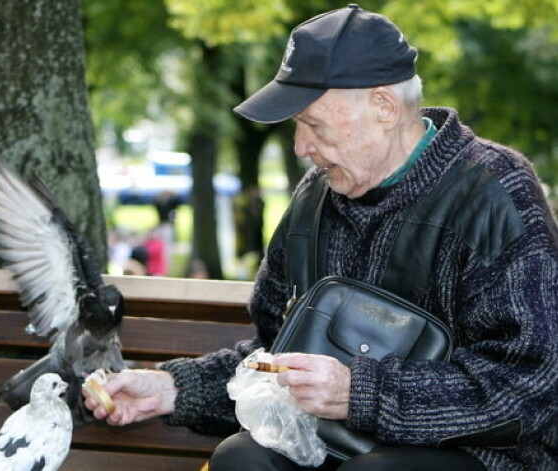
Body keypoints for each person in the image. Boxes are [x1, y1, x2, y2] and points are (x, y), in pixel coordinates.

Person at [84, 5, 558, 470]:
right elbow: (274, 357)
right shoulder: (316, 194)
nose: (300, 147)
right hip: (327, 441)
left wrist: (361, 393)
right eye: (297, 126)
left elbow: (533, 384)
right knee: (241, 459)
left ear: (384, 107)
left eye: (313, 123)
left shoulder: (495, 192)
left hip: (483, 455)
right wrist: (172, 388)